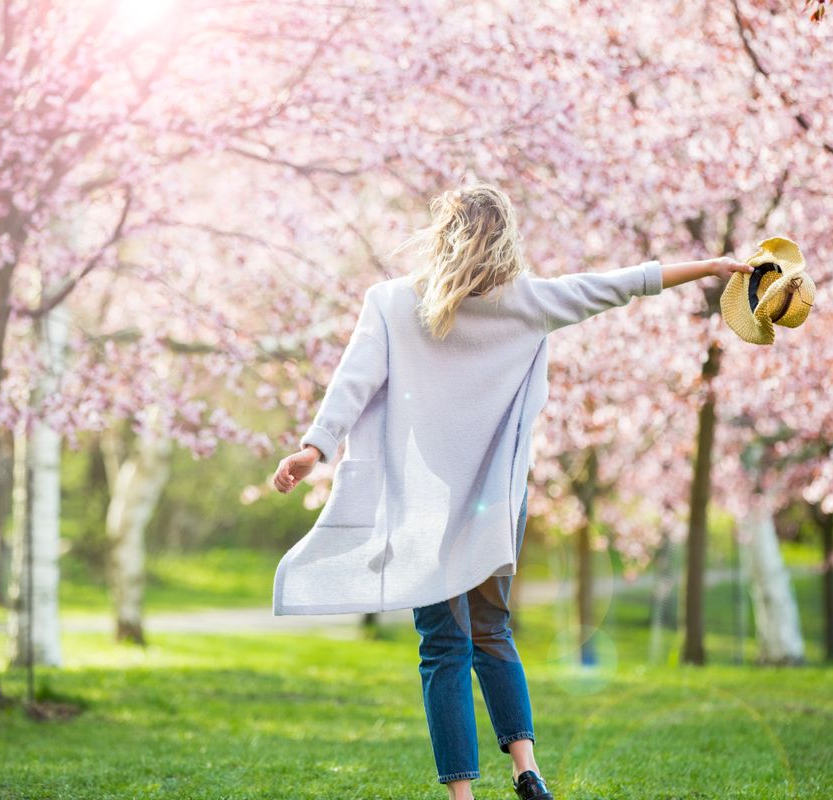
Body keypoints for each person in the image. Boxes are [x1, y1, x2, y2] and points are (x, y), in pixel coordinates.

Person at [273, 183, 753, 800]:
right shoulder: (528, 302)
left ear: (443, 236)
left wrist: (314, 448)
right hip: (495, 501)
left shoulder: (392, 303)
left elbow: (352, 384)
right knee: (492, 629)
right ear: (504, 238)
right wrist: (711, 268)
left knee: (443, 645)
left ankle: (463, 796)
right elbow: (620, 283)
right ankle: (527, 769)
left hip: (426, 506)